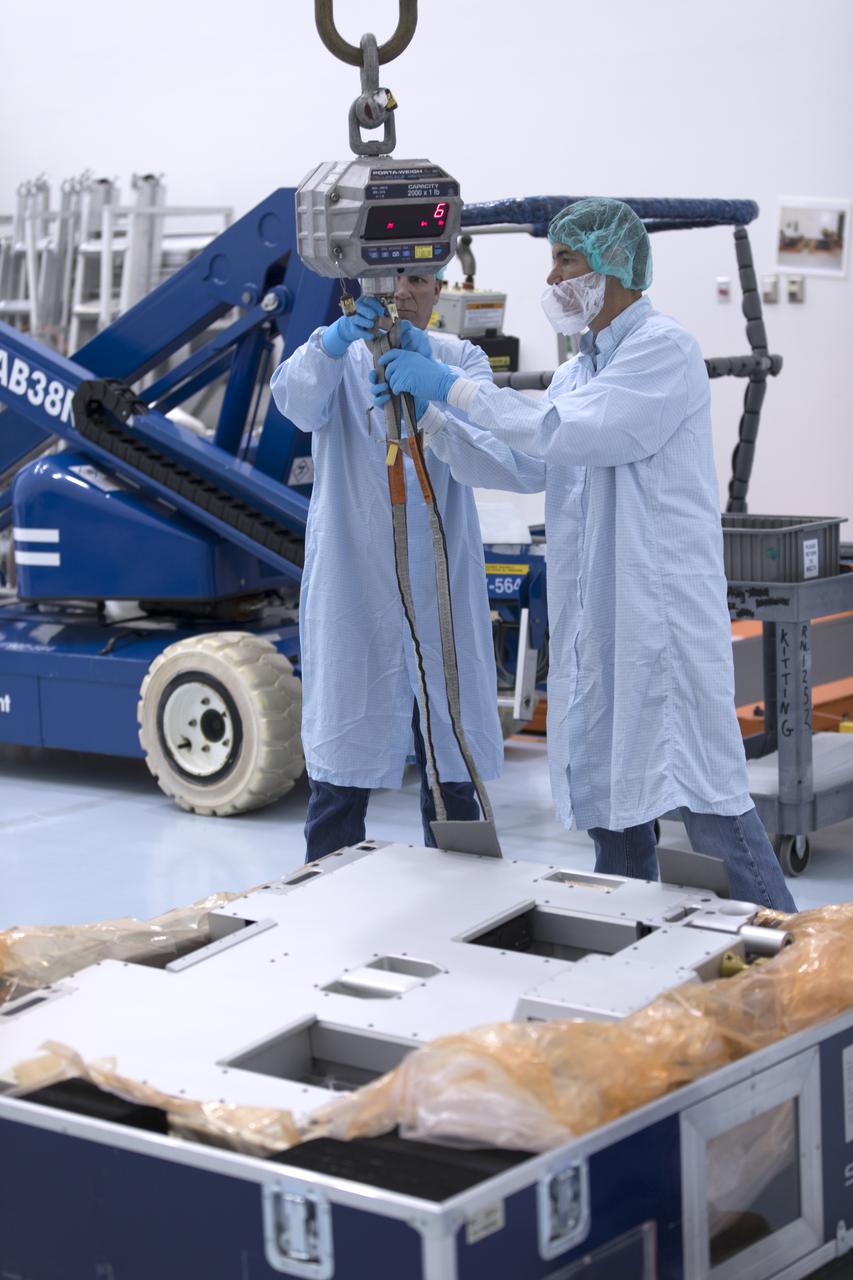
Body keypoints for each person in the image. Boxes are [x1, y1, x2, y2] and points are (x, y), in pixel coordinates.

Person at [370, 198, 796, 912]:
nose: (554, 276)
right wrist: (436, 416)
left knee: (703, 794)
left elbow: (576, 433)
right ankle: (632, 940)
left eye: (566, 259)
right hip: (597, 618)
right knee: (608, 796)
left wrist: (455, 385)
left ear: (612, 266)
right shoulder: (577, 370)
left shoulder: (662, 348)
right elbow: (524, 461)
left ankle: (793, 964)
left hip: (654, 612)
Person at [270, 271, 544, 862]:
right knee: (340, 772)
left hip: (437, 584)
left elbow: (502, 461)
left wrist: (435, 403)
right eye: (389, 280)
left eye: (418, 280)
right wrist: (334, 340)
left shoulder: (457, 359)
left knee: (451, 769)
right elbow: (292, 402)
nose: (401, 294)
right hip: (354, 584)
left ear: (440, 287)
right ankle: (327, 910)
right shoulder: (332, 356)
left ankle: (460, 910)